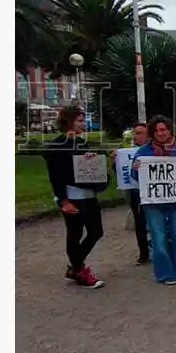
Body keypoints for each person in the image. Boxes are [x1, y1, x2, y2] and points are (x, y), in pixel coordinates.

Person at [42, 106, 110, 288]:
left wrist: (91, 160)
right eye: (79, 121)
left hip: (88, 194)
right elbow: (55, 176)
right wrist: (63, 200)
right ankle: (80, 270)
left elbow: (85, 168)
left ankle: (75, 267)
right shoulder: (56, 146)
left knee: (96, 231)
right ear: (69, 122)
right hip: (71, 196)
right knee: (75, 233)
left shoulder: (81, 143)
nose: (83, 124)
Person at [132, 116, 176, 285]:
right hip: (154, 203)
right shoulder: (143, 152)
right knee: (158, 238)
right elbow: (136, 177)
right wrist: (135, 168)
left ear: (169, 130)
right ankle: (165, 274)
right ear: (152, 133)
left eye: (163, 129)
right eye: (157, 130)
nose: (160, 133)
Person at [114, 122, 150, 265]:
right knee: (140, 223)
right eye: (136, 132)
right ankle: (144, 253)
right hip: (135, 191)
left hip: (154, 191)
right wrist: (115, 162)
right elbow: (121, 173)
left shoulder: (155, 150)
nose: (137, 136)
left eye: (141, 132)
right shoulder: (127, 151)